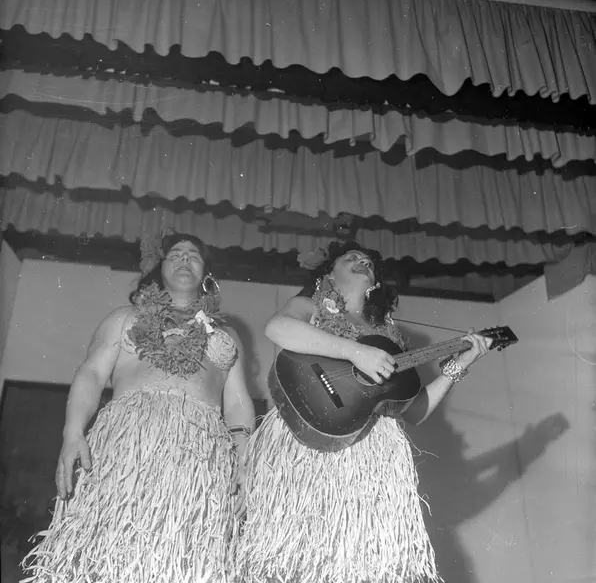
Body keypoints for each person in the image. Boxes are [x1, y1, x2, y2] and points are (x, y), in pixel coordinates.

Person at [234, 240, 491, 583]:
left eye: (369, 261)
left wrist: (460, 363)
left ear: (376, 283)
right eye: (351, 257)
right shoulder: (308, 305)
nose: (362, 261)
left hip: (372, 455)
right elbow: (278, 329)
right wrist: (355, 352)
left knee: (362, 563)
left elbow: (414, 410)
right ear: (328, 273)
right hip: (311, 442)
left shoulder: (389, 336)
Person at [22, 231, 255, 583]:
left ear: (206, 274)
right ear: (159, 268)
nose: (184, 258)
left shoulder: (225, 336)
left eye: (194, 255)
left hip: (197, 454)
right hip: (128, 446)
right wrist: (72, 433)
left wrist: (243, 460)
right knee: (110, 555)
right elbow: (91, 375)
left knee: (182, 557)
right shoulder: (124, 318)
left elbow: (237, 404)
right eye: (175, 254)